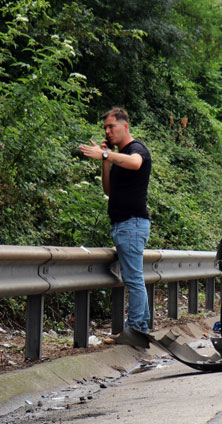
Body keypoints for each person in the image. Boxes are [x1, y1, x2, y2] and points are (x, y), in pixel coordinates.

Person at [78, 107, 152, 341]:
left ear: (125, 126)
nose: (108, 131)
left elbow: (136, 163)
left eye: (112, 126)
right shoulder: (118, 155)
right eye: (105, 128)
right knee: (134, 277)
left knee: (133, 279)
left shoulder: (135, 149)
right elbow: (109, 190)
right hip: (123, 224)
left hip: (132, 223)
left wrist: (106, 155)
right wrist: (105, 160)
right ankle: (140, 328)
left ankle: (136, 329)